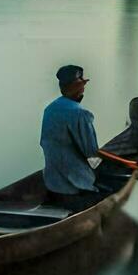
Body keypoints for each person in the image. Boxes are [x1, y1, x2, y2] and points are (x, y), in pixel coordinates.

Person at [40, 64, 104, 209]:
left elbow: (44, 142)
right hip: (75, 186)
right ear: (74, 87)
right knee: (105, 182)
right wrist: (102, 170)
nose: (84, 88)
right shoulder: (81, 114)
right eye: (81, 84)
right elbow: (92, 154)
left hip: (52, 183)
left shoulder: (49, 110)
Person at [93, 96, 138, 194]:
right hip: (124, 168)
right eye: (132, 108)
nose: (132, 112)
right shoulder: (135, 130)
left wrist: (100, 152)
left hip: (123, 170)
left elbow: (126, 149)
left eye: (135, 109)